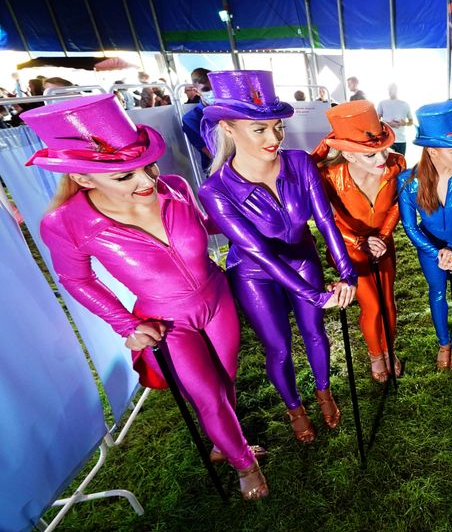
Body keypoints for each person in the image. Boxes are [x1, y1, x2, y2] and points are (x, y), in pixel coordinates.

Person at [23, 94, 268, 500]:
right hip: (166, 322)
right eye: (125, 177)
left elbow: (206, 226)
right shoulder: (65, 223)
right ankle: (245, 462)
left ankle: (225, 440)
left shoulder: (174, 186)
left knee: (224, 382)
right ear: (84, 178)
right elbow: (76, 280)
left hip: (217, 298)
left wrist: (242, 210)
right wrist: (128, 324)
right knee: (206, 394)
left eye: (147, 166)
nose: (147, 182)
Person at [198, 70, 357, 444]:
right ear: (229, 129)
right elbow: (260, 253)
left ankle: (323, 392)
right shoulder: (215, 189)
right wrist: (316, 295)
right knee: (280, 347)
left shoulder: (300, 162)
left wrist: (347, 275)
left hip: (303, 258)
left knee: (316, 334)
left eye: (277, 127)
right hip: (254, 273)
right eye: (259, 130)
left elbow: (325, 222)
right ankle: (295, 408)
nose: (274, 138)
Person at [312, 101, 406, 382]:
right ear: (349, 155)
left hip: (382, 243)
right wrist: (360, 240)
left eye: (383, 149)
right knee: (372, 306)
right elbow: (328, 218)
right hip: (349, 249)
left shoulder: (395, 165)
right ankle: (376, 354)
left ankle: (389, 350)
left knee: (388, 302)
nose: (382, 158)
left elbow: (399, 204)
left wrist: (383, 235)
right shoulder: (328, 176)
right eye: (369, 154)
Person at [398, 100, 452, 373]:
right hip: (429, 248)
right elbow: (410, 227)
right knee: (437, 293)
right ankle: (443, 343)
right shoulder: (409, 181)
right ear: (432, 152)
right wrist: (438, 254)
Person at [181, 68, 213, 171]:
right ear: (196, 91)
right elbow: (210, 152)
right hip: (219, 169)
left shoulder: (230, 110)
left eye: (215, 88)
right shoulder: (191, 119)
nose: (212, 92)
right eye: (206, 89)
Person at [377, 83, 414, 156]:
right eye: (389, 90)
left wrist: (404, 123)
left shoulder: (405, 104)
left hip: (401, 140)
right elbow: (376, 121)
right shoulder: (382, 103)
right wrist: (388, 124)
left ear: (397, 90)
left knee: (401, 164)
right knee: (387, 164)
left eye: (392, 89)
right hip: (387, 140)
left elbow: (411, 122)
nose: (390, 91)